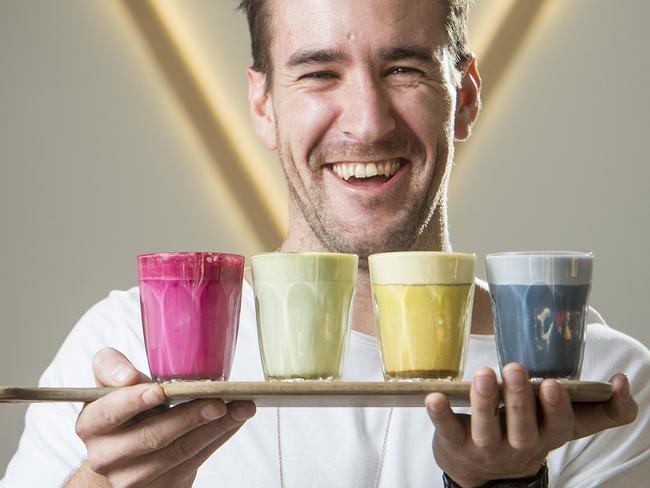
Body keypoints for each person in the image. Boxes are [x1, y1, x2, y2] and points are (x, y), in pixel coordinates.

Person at [2, 0, 649, 486]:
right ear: (262, 105)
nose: (367, 124)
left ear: (466, 97)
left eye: (403, 69)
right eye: (318, 74)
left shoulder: (600, 387)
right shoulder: (123, 349)